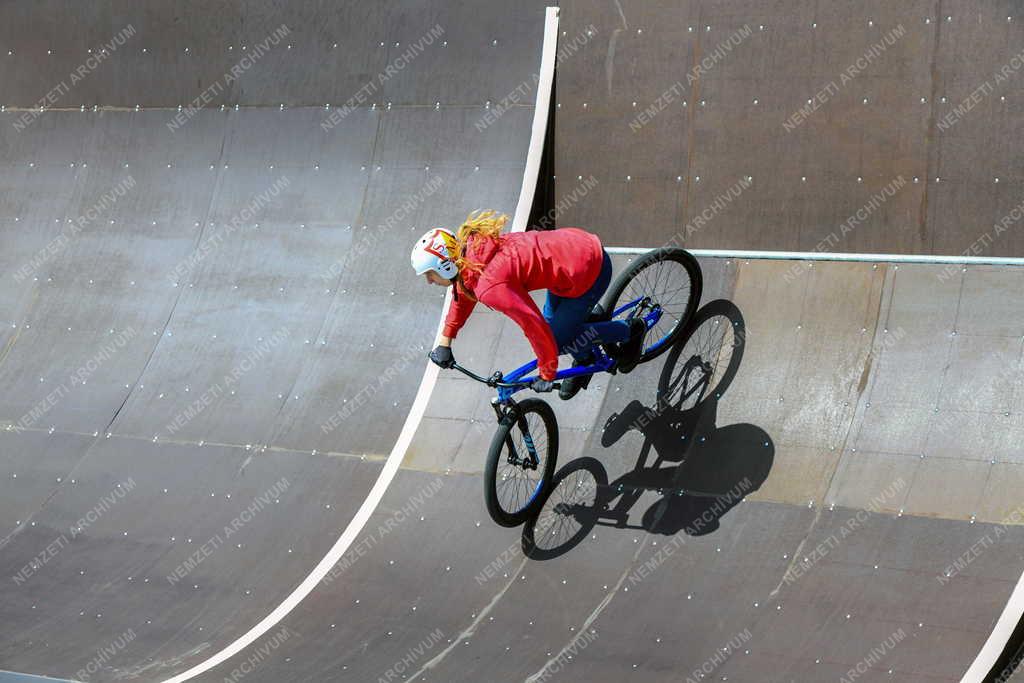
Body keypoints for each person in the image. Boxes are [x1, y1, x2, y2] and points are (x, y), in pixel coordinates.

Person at [410, 210, 646, 400]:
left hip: (588, 269)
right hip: (569, 253)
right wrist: (445, 340)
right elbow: (463, 291)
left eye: (430, 274)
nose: (429, 281)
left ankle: (631, 330)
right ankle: (586, 355)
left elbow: (532, 324)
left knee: (556, 341)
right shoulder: (472, 251)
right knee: (557, 327)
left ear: (445, 266)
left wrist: (547, 373)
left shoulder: (491, 286)